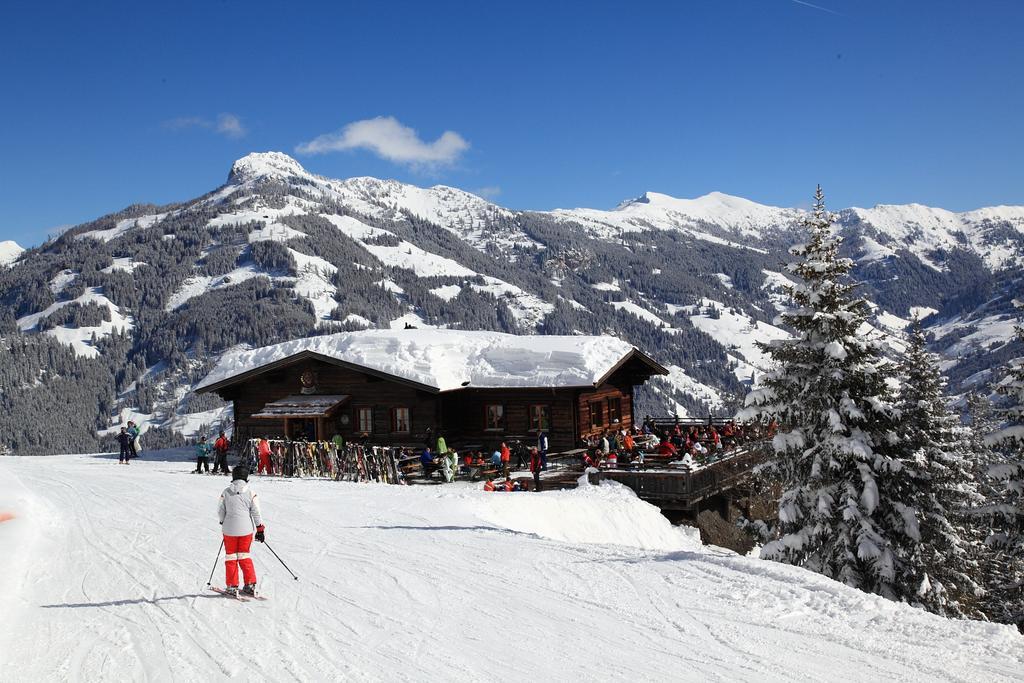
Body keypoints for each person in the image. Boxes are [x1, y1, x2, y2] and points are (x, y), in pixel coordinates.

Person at [217, 465, 265, 597]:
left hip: (229, 530)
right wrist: (260, 529)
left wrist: (222, 521)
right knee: (244, 556)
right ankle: (250, 584)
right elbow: (256, 512)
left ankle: (232, 586)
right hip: (246, 531)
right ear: (246, 478)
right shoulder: (251, 493)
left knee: (231, 557)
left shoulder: (225, 492)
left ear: (233, 477)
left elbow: (221, 511)